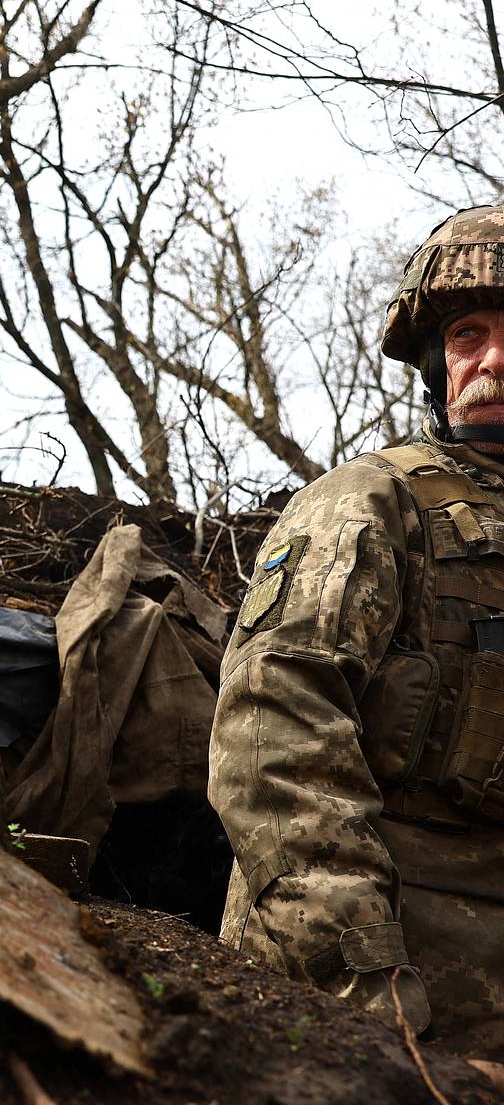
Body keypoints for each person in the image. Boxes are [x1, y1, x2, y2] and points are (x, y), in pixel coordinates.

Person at [209, 204, 504, 1059]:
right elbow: (274, 738)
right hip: (378, 985)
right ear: (432, 363)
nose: (493, 359)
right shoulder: (369, 504)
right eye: (467, 335)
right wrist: (360, 981)